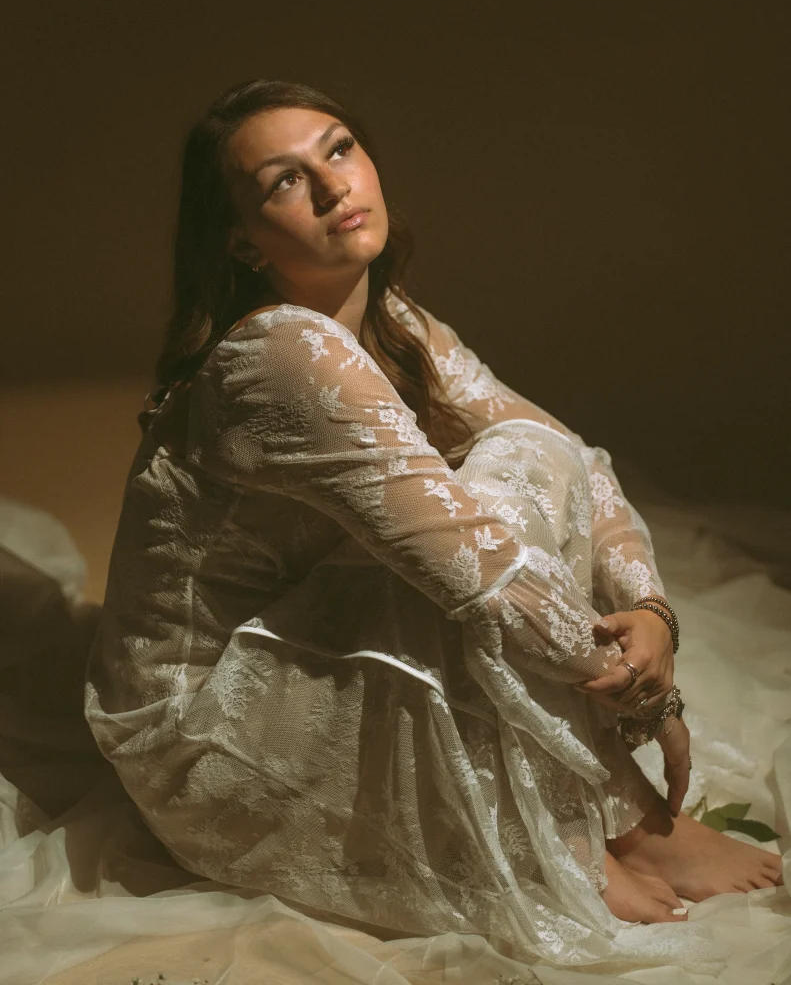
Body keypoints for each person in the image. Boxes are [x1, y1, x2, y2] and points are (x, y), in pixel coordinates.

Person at [85, 79, 783, 968]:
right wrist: (645, 699)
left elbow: (575, 459)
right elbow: (480, 576)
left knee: (524, 451)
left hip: (305, 656)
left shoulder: (397, 323)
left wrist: (649, 610)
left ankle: (609, 819)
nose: (334, 186)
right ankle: (611, 823)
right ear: (239, 239)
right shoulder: (275, 355)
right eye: (284, 182)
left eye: (338, 149)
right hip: (211, 739)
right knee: (469, 532)